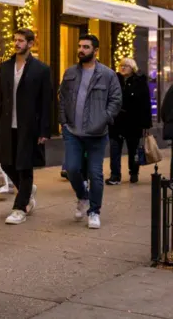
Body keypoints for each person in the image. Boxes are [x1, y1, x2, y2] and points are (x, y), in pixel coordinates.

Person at [59, 34, 121, 230]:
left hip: (97, 133)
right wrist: (63, 121)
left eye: (86, 47)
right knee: (71, 169)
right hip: (72, 131)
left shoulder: (108, 74)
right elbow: (62, 98)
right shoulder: (69, 73)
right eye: (79, 46)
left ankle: (94, 211)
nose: (81, 50)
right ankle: (82, 196)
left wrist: (104, 118)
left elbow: (116, 100)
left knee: (95, 174)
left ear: (95, 51)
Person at [0, 28, 52, 225]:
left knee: (24, 166)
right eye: (15, 40)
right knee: (6, 162)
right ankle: (27, 191)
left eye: (21, 41)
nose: (17, 43)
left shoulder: (41, 70)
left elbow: (46, 102)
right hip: (7, 125)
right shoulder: (6, 67)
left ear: (30, 44)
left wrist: (44, 129)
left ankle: (20, 208)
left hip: (29, 126)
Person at [106, 58, 152, 185]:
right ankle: (115, 175)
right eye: (121, 65)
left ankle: (134, 172)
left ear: (133, 68)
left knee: (133, 150)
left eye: (126, 65)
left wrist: (146, 124)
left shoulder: (140, 81)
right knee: (115, 149)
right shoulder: (114, 80)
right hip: (117, 121)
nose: (123, 67)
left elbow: (145, 104)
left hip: (133, 122)